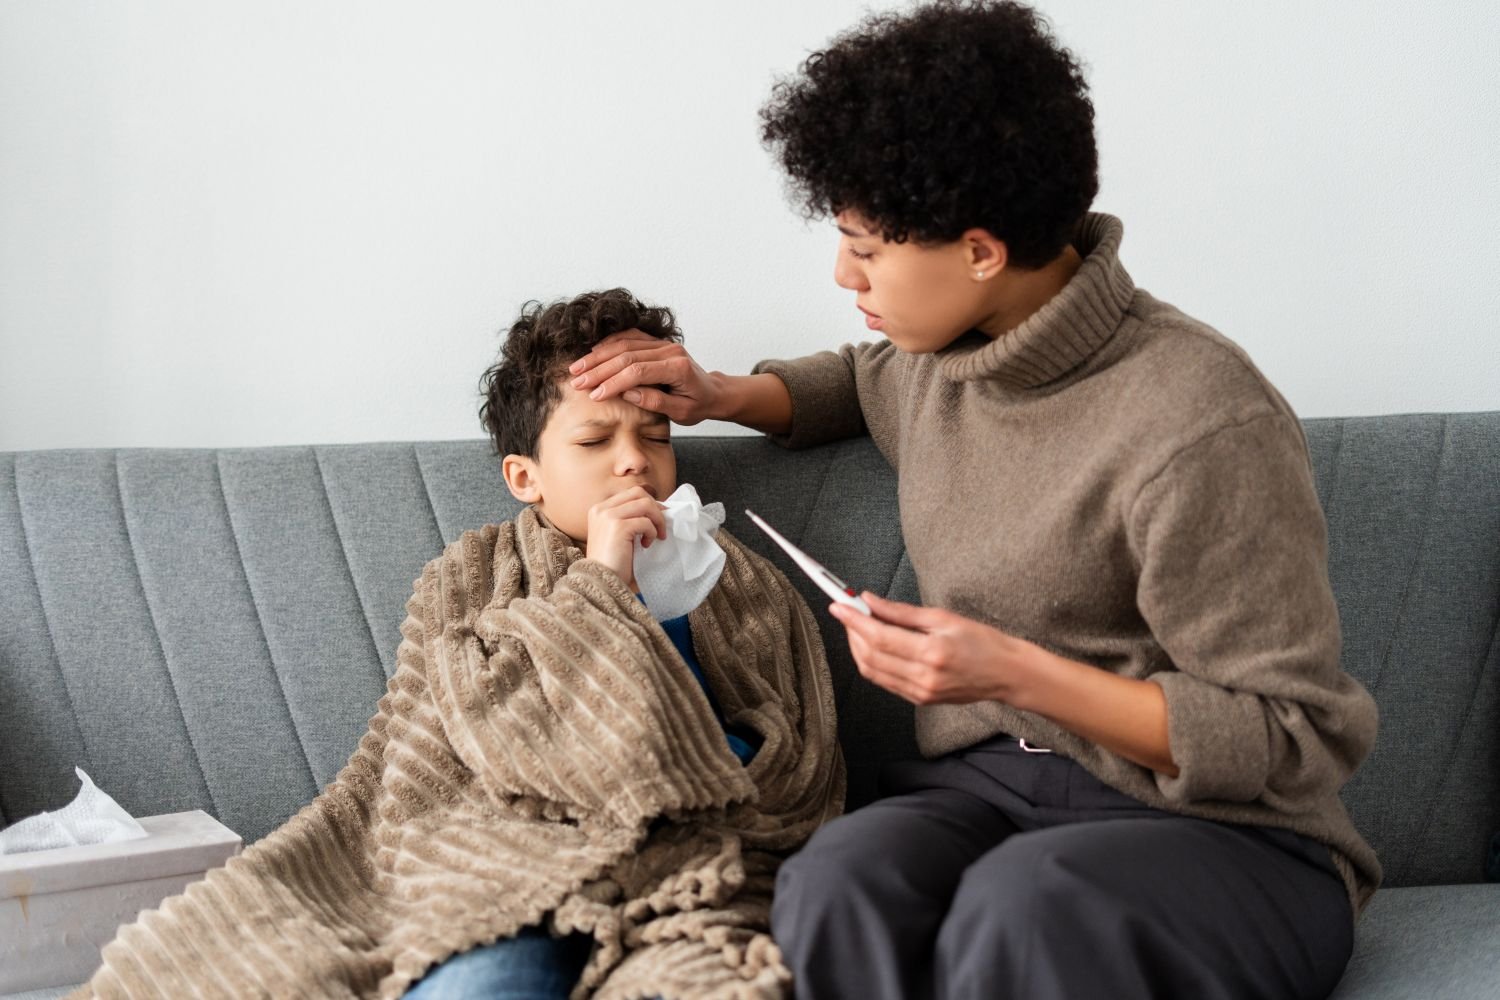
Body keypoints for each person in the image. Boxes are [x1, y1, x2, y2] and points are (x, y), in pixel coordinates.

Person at [568, 3, 1381, 999]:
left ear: (981, 253)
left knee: (1025, 907)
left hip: (1225, 834)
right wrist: (723, 395)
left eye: (867, 248)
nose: (842, 272)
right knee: (835, 881)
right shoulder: (943, 362)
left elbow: (1292, 732)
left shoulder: (1202, 420)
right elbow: (861, 380)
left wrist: (1013, 671)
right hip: (994, 792)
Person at [74, 289, 844, 1000]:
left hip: (690, 873)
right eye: (594, 439)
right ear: (526, 477)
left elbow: (792, 767)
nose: (634, 459)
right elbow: (464, 742)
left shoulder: (738, 581)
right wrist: (603, 587)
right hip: (505, 866)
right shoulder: (475, 575)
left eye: (655, 437)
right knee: (483, 982)